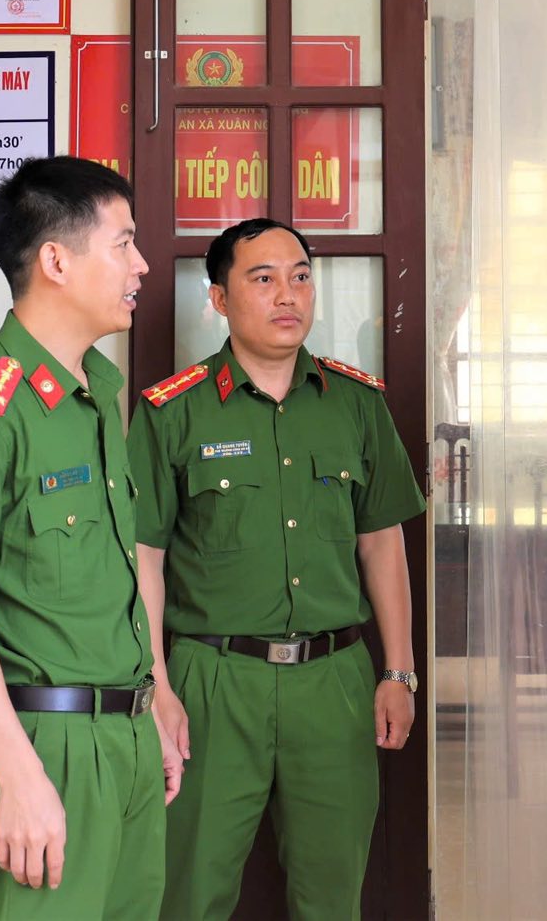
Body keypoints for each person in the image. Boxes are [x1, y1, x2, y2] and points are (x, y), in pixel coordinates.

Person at [129, 217, 427, 921]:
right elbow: (145, 559)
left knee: (332, 894)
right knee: (189, 890)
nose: (287, 294)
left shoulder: (357, 404)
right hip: (212, 681)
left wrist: (400, 671)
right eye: (262, 279)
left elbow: (382, 543)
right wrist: (158, 686)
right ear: (219, 299)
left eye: (299, 277)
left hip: (334, 682)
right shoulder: (172, 413)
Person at [0, 156, 173, 920]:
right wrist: (19, 775)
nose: (141, 265)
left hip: (127, 740)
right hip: (46, 746)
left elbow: (120, 577)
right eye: (122, 244)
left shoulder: (101, 392)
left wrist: (151, 707)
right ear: (56, 261)